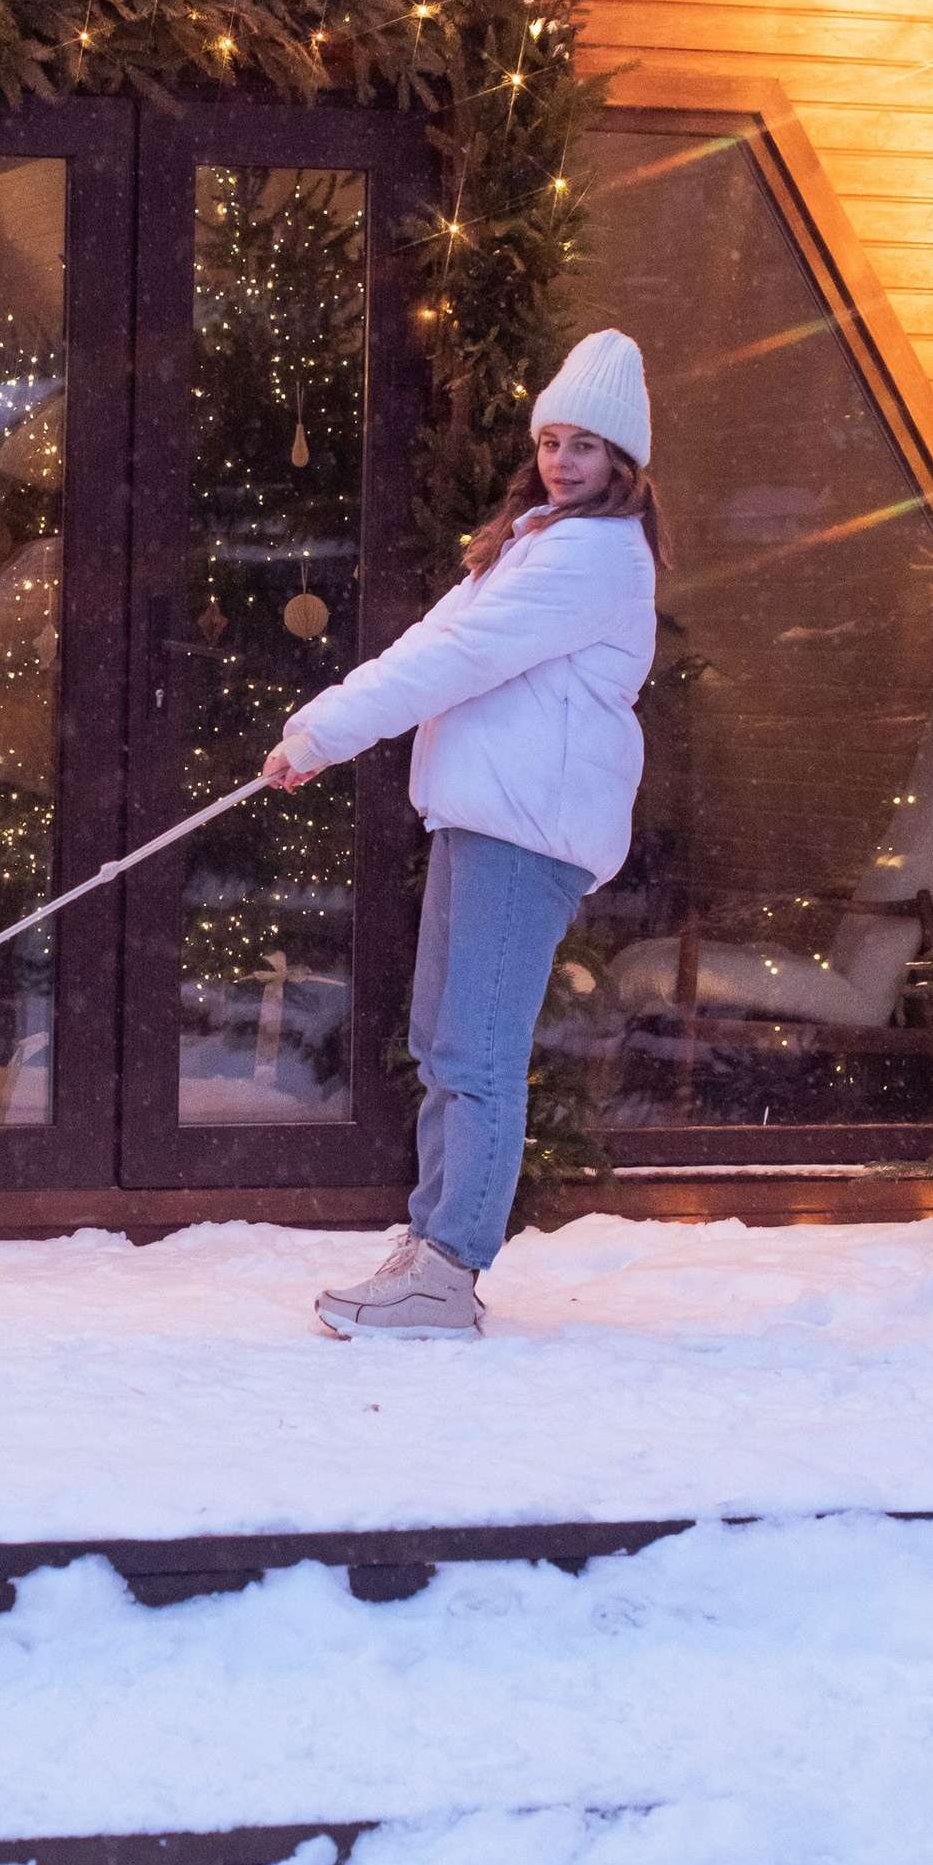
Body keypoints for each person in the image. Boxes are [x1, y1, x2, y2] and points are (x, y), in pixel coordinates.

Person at [260, 328, 660, 1338]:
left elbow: (462, 659)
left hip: (527, 830)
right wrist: (317, 729)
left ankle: (447, 1271)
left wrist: (327, 738)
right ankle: (432, 1241)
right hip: (484, 818)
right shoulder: (536, 540)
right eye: (552, 440)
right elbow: (427, 642)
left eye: (584, 445)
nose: (561, 460)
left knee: (476, 1052)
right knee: (442, 1045)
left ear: (622, 459)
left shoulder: (593, 555)